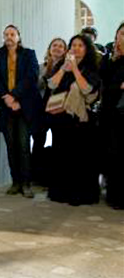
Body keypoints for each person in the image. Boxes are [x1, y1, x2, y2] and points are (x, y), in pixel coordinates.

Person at [46, 34, 101, 206]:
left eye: (80, 45)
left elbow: (87, 89)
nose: (76, 48)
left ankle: (80, 194)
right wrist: (64, 68)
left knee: (81, 158)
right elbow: (51, 85)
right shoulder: (62, 65)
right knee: (62, 156)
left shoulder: (92, 68)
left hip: (82, 121)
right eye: (73, 45)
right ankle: (61, 193)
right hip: (61, 119)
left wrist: (76, 69)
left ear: (87, 49)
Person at [0, 24, 42, 198]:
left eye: (12, 34)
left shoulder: (29, 54)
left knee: (23, 145)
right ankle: (16, 182)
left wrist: (15, 96)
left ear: (19, 37)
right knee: (11, 146)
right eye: (6, 34)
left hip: (24, 106)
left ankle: (26, 183)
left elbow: (32, 77)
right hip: (7, 107)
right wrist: (7, 97)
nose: (9, 37)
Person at [32, 37, 67, 186]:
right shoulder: (41, 67)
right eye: (54, 45)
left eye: (60, 46)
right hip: (41, 109)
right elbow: (37, 86)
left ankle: (55, 176)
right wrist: (47, 71)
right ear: (49, 48)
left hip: (58, 109)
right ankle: (35, 176)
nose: (57, 48)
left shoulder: (67, 68)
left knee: (59, 141)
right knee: (38, 141)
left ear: (65, 51)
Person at [100, 23, 124, 209]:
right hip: (111, 114)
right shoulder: (109, 60)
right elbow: (104, 87)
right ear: (116, 37)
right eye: (121, 34)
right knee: (113, 154)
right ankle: (115, 196)